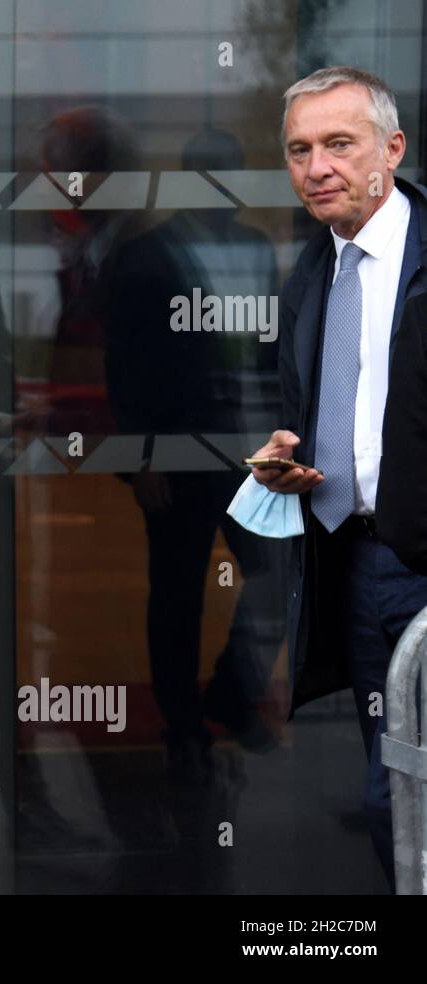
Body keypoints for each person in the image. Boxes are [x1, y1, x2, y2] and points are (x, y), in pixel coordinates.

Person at [249, 66, 427, 887]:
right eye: (299, 150)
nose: (316, 166)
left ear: (391, 149)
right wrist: (288, 463)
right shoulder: (312, 277)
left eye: (338, 144)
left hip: (420, 568)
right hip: (353, 564)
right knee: (393, 794)